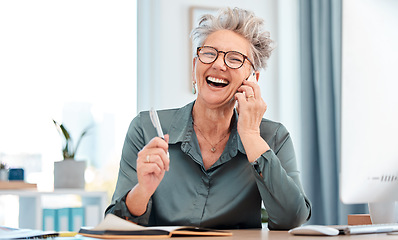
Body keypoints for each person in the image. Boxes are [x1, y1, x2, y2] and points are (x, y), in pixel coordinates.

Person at [105, 7, 311, 230]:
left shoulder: (274, 137)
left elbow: (292, 218)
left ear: (252, 79)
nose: (219, 64)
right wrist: (142, 190)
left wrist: (251, 136)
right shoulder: (146, 129)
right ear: (195, 66)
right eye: (209, 53)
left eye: (234, 58)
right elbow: (116, 226)